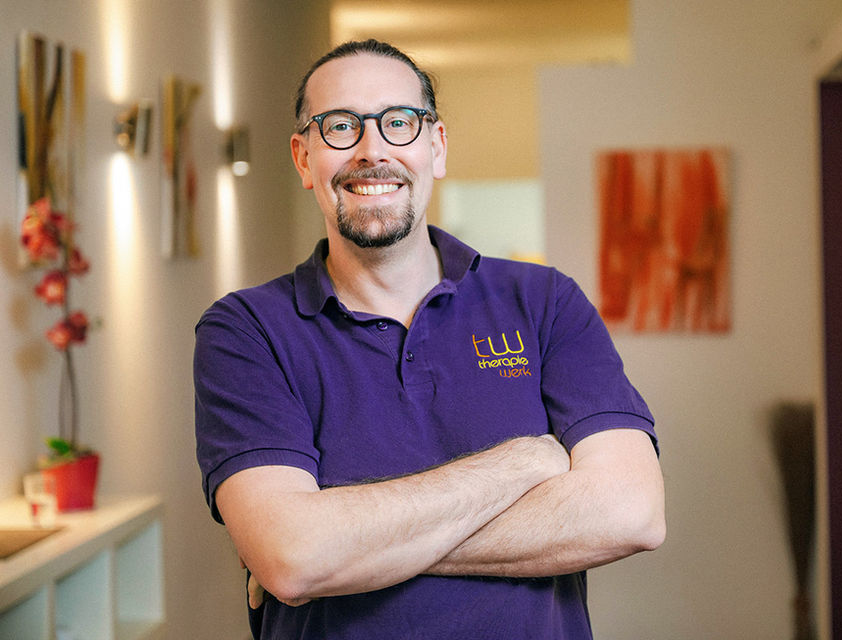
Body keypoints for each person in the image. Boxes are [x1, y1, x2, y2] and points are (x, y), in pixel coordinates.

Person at [194, 39, 665, 640]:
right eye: (340, 126)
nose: (372, 150)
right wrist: (529, 460)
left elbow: (633, 513)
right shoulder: (245, 331)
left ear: (436, 147)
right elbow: (293, 556)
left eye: (399, 122)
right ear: (303, 158)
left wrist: (344, 548)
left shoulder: (545, 301)